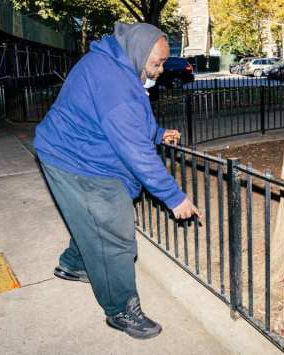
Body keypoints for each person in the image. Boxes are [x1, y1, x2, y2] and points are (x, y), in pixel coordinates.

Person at [33, 22, 201, 339]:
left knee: (93, 219)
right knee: (115, 231)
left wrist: (156, 132)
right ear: (140, 52)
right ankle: (121, 309)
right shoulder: (114, 82)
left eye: (164, 62)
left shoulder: (119, 61)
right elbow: (136, 150)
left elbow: (131, 120)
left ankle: (74, 264)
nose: (162, 70)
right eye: (158, 63)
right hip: (74, 159)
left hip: (78, 148)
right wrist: (174, 197)